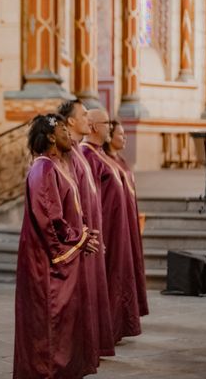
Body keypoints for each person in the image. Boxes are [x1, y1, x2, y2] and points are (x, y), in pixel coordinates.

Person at [13, 114, 100, 379]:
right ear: (51, 136)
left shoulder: (57, 166)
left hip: (62, 254)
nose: (69, 134)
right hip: (47, 261)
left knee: (65, 324)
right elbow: (49, 217)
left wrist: (81, 235)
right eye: (64, 129)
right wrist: (76, 239)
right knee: (50, 324)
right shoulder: (43, 168)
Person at [58, 100, 115, 358]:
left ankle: (89, 347)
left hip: (89, 236)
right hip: (79, 239)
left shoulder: (78, 152)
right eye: (83, 115)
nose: (88, 121)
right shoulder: (69, 152)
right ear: (70, 121)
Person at [81, 108, 143, 342]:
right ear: (95, 126)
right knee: (110, 275)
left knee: (118, 274)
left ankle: (116, 326)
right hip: (106, 229)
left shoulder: (101, 155)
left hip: (118, 228)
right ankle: (106, 330)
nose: (111, 126)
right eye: (107, 123)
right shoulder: (87, 154)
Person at [103, 120, 149, 318]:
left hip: (128, 220)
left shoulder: (119, 160)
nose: (125, 138)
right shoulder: (102, 160)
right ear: (109, 137)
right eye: (121, 134)